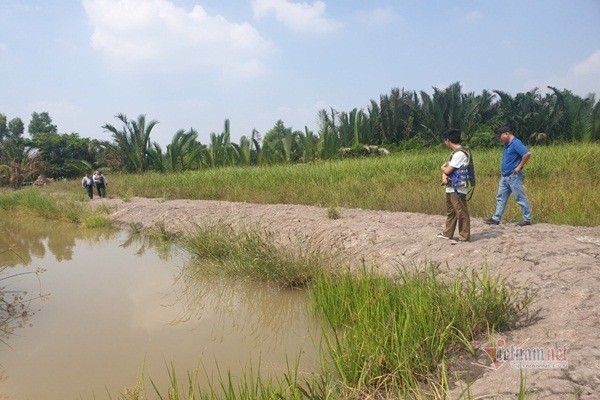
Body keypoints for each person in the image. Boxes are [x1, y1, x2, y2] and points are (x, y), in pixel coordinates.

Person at [483, 126, 532, 226]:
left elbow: (527, 153)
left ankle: (527, 219)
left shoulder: (516, 143)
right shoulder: (507, 144)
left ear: (506, 134)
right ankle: (496, 218)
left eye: (500, 136)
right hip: (505, 176)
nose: (500, 139)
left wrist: (519, 167)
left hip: (514, 176)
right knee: (501, 197)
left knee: (520, 197)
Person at [437, 129, 472, 244]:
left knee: (461, 212)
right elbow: (449, 169)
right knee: (451, 212)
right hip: (451, 186)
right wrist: (444, 174)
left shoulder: (460, 154)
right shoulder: (456, 153)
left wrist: (442, 169)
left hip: (458, 188)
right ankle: (447, 233)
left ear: (448, 140)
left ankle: (464, 237)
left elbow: (447, 169)